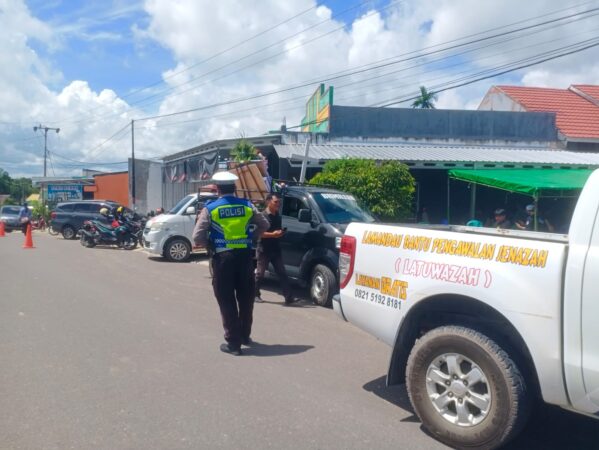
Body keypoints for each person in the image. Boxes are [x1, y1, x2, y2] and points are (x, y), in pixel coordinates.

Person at [193, 172, 269, 356]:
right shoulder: (248, 206)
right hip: (245, 259)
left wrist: (210, 244)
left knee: (226, 299)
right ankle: (244, 336)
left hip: (223, 260)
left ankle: (233, 344)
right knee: (246, 298)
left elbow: (197, 237)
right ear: (234, 188)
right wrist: (250, 236)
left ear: (218, 189)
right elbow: (264, 225)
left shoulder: (211, 209)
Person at [255, 194, 297, 305]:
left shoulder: (278, 216)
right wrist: (273, 234)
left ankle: (289, 297)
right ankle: (255, 294)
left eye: (279, 202)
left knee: (282, 273)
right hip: (264, 249)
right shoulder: (262, 216)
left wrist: (280, 233)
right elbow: (259, 233)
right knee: (260, 274)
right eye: (276, 202)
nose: (278, 204)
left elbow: (276, 231)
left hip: (276, 249)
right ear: (268, 202)